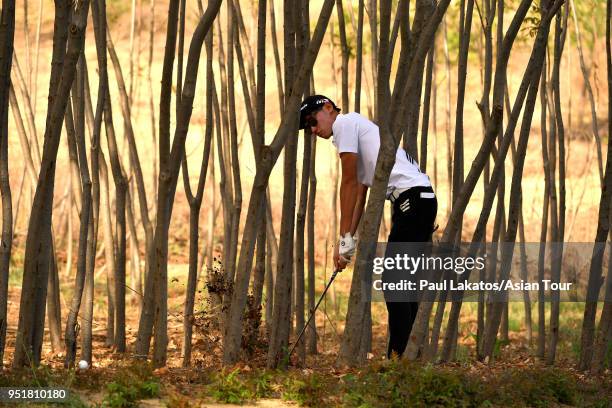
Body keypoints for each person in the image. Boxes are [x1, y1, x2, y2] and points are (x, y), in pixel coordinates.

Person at [299, 94, 438, 359]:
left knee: (394, 280)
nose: (313, 130)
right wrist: (348, 242)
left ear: (328, 108)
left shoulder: (346, 124)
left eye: (312, 121)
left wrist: (342, 239)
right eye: (308, 128)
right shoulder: (352, 133)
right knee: (402, 282)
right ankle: (408, 360)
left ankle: (400, 359)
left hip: (413, 200)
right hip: (416, 200)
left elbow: (349, 183)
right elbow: (361, 193)